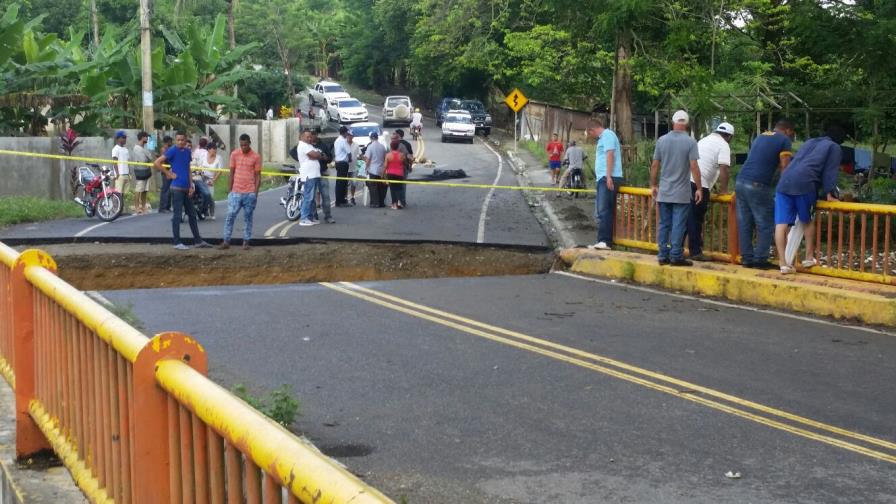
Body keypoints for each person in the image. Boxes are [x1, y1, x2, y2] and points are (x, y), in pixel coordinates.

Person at [774, 124, 845, 274]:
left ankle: (783, 264)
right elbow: (830, 172)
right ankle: (808, 257)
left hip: (784, 183)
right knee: (807, 221)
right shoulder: (834, 147)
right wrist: (830, 194)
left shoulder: (810, 142)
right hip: (804, 184)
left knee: (781, 224)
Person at [736, 119, 795, 269]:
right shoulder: (784, 140)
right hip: (758, 183)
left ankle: (747, 258)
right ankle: (760, 259)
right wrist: (785, 188)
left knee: (745, 222)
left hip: (741, 181)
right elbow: (785, 166)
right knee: (766, 223)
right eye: (792, 133)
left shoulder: (761, 136)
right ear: (788, 130)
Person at [650, 110, 702, 266]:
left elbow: (654, 165)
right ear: (686, 124)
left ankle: (662, 255)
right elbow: (694, 167)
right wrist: (699, 188)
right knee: (678, 224)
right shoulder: (690, 142)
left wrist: (653, 185)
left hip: (664, 191)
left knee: (664, 224)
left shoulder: (662, 140)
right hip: (681, 193)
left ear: (673, 122)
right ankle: (675, 255)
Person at [153, 131, 212, 250]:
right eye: (178, 140)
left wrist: (191, 185)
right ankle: (177, 241)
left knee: (192, 214)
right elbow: (157, 162)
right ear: (176, 140)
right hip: (177, 188)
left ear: (186, 141)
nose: (180, 142)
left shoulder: (187, 152)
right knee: (177, 215)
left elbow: (188, 169)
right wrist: (168, 173)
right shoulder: (172, 150)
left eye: (182, 140)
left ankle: (198, 240)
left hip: (186, 188)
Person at [686, 122, 734, 261]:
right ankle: (695, 252)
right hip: (699, 184)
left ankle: (676, 249)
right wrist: (724, 191)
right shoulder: (724, 145)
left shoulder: (704, 140)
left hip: (686, 181)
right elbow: (724, 169)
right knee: (696, 219)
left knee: (686, 218)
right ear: (729, 136)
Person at [219, 135, 262, 250]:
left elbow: (258, 176)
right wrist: (230, 191)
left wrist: (255, 193)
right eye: (241, 145)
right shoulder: (234, 154)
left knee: (248, 218)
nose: (243, 147)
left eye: (246, 145)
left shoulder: (256, 157)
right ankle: (226, 241)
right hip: (236, 192)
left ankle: (246, 241)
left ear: (250, 143)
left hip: (249, 192)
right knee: (230, 216)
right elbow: (231, 173)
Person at [587, 118, 624, 250]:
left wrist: (608, 176)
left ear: (592, 129)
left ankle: (605, 241)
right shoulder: (604, 137)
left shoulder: (607, 135)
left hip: (608, 177)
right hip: (604, 177)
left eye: (589, 133)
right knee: (604, 210)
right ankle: (604, 240)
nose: (591, 137)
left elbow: (610, 155)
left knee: (604, 210)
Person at [296, 129, 323, 226]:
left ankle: (310, 217)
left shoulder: (309, 145)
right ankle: (304, 218)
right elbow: (314, 154)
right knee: (308, 197)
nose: (309, 138)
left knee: (312, 198)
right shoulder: (302, 145)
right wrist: (316, 154)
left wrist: (317, 155)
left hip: (314, 174)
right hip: (308, 175)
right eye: (307, 137)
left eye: (310, 136)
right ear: (301, 136)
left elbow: (318, 155)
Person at [311, 131, 335, 223]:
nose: (311, 137)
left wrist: (326, 158)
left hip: (322, 173)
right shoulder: (307, 145)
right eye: (310, 135)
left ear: (316, 135)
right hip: (312, 174)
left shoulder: (323, 145)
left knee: (326, 196)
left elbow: (330, 158)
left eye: (313, 134)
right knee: (311, 197)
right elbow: (294, 152)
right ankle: (314, 215)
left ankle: (328, 215)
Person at [131, 131, 154, 214]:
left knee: (145, 190)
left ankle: (143, 206)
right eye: (146, 137)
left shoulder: (145, 148)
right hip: (140, 172)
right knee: (139, 189)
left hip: (146, 171)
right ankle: (137, 207)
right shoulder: (137, 148)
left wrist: (148, 157)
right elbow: (145, 159)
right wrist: (148, 157)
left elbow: (150, 158)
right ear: (143, 137)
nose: (147, 139)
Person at [197, 143, 222, 220]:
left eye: (215, 149)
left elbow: (220, 171)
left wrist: (213, 180)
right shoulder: (203, 156)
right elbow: (199, 166)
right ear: (208, 150)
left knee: (210, 196)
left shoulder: (219, 158)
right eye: (212, 149)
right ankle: (203, 211)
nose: (214, 151)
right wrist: (200, 173)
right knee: (202, 195)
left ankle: (212, 212)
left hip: (211, 179)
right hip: (202, 178)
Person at [363, 132, 388, 208]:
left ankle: (375, 203)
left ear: (371, 138)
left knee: (373, 187)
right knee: (381, 187)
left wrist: (366, 168)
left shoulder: (370, 147)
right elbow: (385, 158)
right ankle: (381, 202)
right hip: (381, 170)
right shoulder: (382, 147)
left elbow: (367, 159)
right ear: (377, 137)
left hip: (373, 170)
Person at [111, 131, 132, 208]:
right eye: (123, 137)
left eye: (125, 137)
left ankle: (121, 209)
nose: (125, 139)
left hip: (126, 174)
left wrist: (129, 173)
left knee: (123, 193)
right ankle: (116, 209)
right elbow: (114, 161)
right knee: (118, 193)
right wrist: (117, 174)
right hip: (120, 175)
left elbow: (127, 162)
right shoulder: (115, 149)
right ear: (118, 138)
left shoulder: (126, 149)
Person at [385, 141, 407, 209]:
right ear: (398, 147)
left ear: (391, 147)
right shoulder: (402, 155)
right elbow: (405, 163)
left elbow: (385, 165)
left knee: (392, 189)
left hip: (390, 173)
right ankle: (399, 202)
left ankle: (394, 204)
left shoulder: (388, 155)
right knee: (399, 188)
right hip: (399, 174)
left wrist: (383, 174)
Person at [333, 126, 352, 207]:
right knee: (342, 183)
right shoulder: (343, 141)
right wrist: (350, 159)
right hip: (343, 163)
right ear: (344, 133)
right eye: (346, 133)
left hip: (338, 162)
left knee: (339, 182)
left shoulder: (337, 140)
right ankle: (340, 201)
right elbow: (349, 152)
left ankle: (340, 200)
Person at [157, 136, 174, 212]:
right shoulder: (164, 150)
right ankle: (163, 207)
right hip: (165, 172)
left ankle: (167, 206)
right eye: (170, 142)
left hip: (170, 171)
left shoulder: (169, 150)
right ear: (167, 142)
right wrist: (166, 172)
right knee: (165, 189)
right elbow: (162, 162)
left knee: (169, 190)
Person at [348, 131, 363, 206]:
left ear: (352, 137)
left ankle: (352, 197)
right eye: (348, 136)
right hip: (346, 167)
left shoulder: (356, 145)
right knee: (345, 184)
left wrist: (360, 159)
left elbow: (360, 154)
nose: (349, 137)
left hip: (354, 167)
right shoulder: (343, 144)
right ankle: (345, 198)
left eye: (351, 136)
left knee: (353, 183)